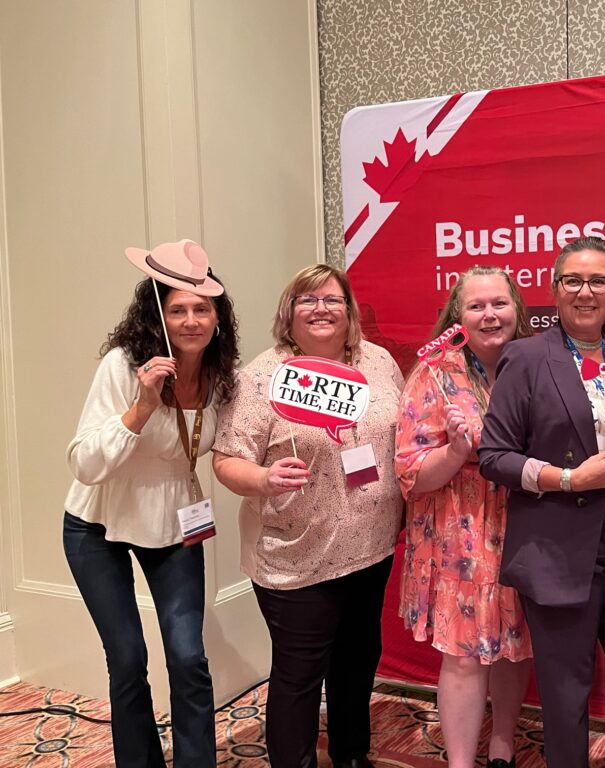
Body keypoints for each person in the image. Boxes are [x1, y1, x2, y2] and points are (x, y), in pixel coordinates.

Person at [478, 237, 605, 768]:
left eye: (598, 281)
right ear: (555, 289)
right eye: (573, 281)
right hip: (559, 544)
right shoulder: (526, 357)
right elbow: (494, 456)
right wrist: (568, 478)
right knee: (567, 691)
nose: (585, 292)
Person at [212, 264, 404, 768]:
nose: (321, 308)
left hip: (371, 545)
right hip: (295, 557)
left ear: (349, 310)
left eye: (332, 299)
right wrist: (263, 479)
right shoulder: (259, 378)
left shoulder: (378, 362)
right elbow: (226, 459)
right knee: (300, 673)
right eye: (307, 300)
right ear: (288, 313)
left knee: (358, 661)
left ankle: (350, 755)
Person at [64, 239, 238, 767]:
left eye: (201, 308)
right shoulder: (124, 365)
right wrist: (141, 408)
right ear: (157, 316)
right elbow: (84, 464)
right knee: (128, 659)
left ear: (217, 316)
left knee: (189, 658)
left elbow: (236, 447)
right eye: (177, 309)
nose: (190, 320)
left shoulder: (223, 375)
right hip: (96, 525)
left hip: (175, 524)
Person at [395, 266, 534, 768]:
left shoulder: (538, 365)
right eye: (476, 306)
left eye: (499, 303)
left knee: (515, 642)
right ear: (458, 315)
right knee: (464, 653)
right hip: (459, 533)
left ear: (516, 308)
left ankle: (502, 744)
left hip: (526, 524)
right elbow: (410, 475)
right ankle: (459, 762)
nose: (489, 314)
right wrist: (455, 452)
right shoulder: (433, 373)